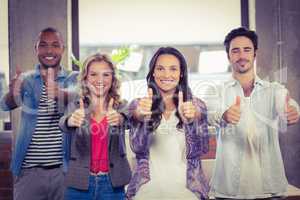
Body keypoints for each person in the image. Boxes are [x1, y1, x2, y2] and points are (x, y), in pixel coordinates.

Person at [209, 27, 300, 200]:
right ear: (228, 56)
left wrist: (292, 111)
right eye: (235, 50)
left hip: (269, 189)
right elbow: (210, 111)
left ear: (255, 54)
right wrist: (224, 115)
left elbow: (287, 102)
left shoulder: (273, 90)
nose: (241, 55)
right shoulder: (217, 91)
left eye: (247, 49)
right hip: (227, 190)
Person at [0, 27, 78, 200]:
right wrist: (13, 93)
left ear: (63, 49)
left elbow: (82, 98)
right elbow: (4, 106)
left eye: (55, 45)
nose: (49, 50)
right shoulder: (26, 79)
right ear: (36, 49)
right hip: (29, 172)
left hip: (64, 172)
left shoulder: (73, 78)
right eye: (43, 45)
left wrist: (60, 93)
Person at [126, 47, 210, 200]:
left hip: (187, 192)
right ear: (153, 72)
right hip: (146, 192)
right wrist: (142, 117)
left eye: (173, 69)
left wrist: (191, 121)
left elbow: (202, 148)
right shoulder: (139, 104)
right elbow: (137, 147)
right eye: (160, 68)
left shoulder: (196, 106)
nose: (166, 74)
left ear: (181, 73)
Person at [59, 53, 131, 200]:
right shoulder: (75, 105)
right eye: (93, 74)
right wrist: (70, 121)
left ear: (113, 79)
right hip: (79, 184)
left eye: (106, 75)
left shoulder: (121, 106)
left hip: (112, 184)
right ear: (85, 79)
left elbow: (130, 120)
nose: (100, 80)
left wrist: (119, 119)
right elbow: (63, 123)